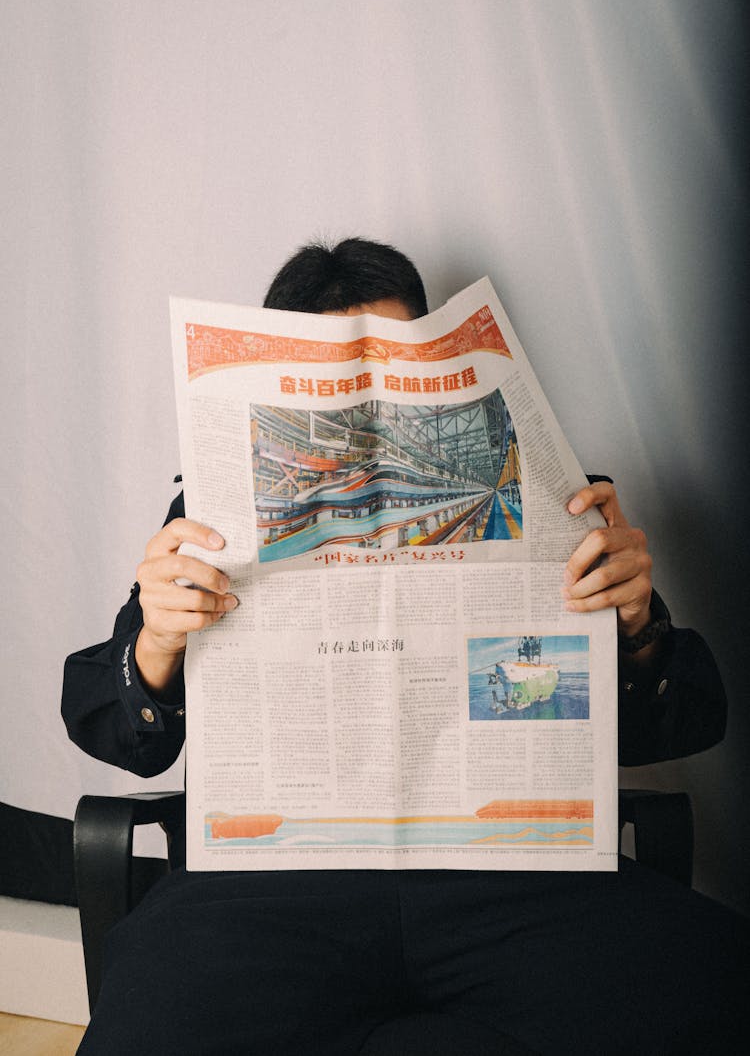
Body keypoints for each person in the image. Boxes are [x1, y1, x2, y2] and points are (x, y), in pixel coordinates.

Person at [63, 238, 747, 1055]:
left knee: (716, 985)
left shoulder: (551, 492)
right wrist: (157, 642)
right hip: (266, 896)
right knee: (143, 1028)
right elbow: (110, 726)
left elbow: (684, 722)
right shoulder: (208, 513)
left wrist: (638, 627)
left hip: (515, 888)